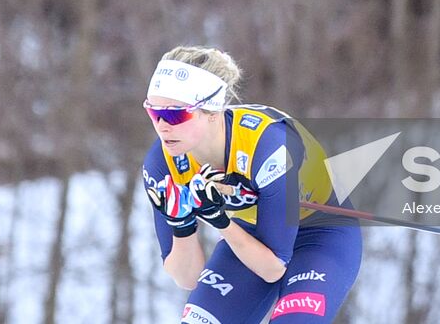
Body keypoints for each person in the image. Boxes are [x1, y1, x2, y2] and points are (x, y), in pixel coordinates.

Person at [141, 46, 362, 323]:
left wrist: (218, 220)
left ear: (212, 111)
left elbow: (272, 269)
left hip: (320, 233)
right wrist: (181, 226)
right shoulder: (163, 163)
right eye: (153, 112)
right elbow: (186, 278)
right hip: (251, 235)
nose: (162, 126)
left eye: (175, 115)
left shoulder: (267, 144)